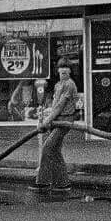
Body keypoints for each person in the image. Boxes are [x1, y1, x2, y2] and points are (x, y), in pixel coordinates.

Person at [32, 58, 79, 191]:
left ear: (70, 72)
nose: (63, 72)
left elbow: (60, 106)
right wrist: (47, 115)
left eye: (66, 70)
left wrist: (46, 121)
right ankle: (63, 184)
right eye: (61, 69)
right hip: (56, 121)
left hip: (64, 121)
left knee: (47, 148)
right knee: (55, 150)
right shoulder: (58, 85)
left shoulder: (69, 85)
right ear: (58, 70)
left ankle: (42, 182)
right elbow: (54, 105)